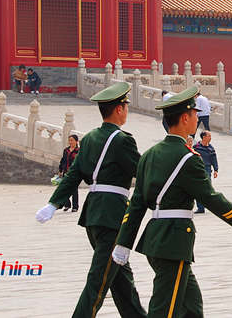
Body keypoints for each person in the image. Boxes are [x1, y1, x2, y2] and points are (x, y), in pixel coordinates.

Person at [113, 86, 232, 317]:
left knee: (192, 306)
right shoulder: (188, 158)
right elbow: (210, 197)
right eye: (194, 115)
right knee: (164, 308)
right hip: (174, 241)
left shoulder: (150, 154)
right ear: (184, 118)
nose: (197, 120)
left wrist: (124, 243)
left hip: (156, 238)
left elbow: (137, 203)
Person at [35, 81, 145, 318]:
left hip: (93, 215)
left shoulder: (90, 138)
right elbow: (143, 170)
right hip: (112, 216)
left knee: (121, 280)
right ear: (119, 109)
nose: (127, 111)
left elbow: (74, 174)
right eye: (126, 106)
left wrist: (53, 204)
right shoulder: (122, 140)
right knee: (98, 281)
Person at [192, 131, 219, 214]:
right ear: (204, 137)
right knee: (198, 189)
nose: (210, 138)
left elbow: (214, 159)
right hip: (197, 169)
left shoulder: (211, 148)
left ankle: (210, 205)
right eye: (209, 136)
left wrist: (216, 170)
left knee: (207, 188)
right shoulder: (196, 147)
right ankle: (200, 208)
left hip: (207, 169)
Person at [58, 134, 80, 212]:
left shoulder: (79, 151)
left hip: (75, 173)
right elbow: (63, 160)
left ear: (76, 141)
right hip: (66, 172)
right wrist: (60, 170)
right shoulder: (66, 150)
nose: (70, 142)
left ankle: (75, 207)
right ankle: (67, 205)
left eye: (72, 140)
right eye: (69, 140)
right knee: (64, 189)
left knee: (74, 190)